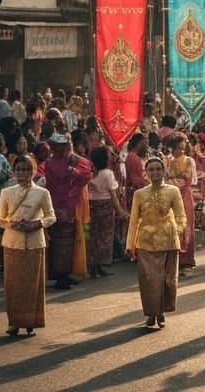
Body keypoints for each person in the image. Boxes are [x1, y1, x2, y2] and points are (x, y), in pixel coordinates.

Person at [0, 155, 54, 336]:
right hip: (12, 242)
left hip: (35, 243)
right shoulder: (7, 192)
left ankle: (30, 321)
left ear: (33, 171)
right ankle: (14, 322)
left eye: (26, 169)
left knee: (32, 284)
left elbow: (51, 216)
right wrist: (13, 224)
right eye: (19, 169)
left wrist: (36, 224)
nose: (22, 173)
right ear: (14, 171)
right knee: (13, 284)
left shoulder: (42, 193)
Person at [126, 156, 186, 329]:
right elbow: (134, 220)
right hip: (146, 242)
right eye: (151, 169)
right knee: (149, 281)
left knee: (167, 281)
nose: (155, 172)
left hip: (168, 241)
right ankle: (151, 315)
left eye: (158, 169)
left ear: (164, 170)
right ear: (146, 173)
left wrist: (179, 231)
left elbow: (181, 215)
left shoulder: (173, 191)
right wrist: (131, 245)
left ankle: (161, 313)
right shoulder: (140, 194)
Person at [42, 133, 91, 290]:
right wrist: (72, 171)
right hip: (61, 205)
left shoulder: (74, 161)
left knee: (68, 241)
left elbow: (86, 174)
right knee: (61, 241)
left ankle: (67, 273)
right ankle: (61, 275)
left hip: (70, 205)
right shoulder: (53, 163)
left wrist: (73, 170)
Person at [87, 146, 127, 278]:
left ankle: (93, 266)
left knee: (94, 236)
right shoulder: (107, 173)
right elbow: (113, 195)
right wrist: (121, 211)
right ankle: (100, 264)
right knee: (105, 237)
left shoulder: (90, 173)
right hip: (105, 206)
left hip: (92, 206)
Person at [163, 135, 199, 274]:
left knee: (187, 225)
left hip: (185, 195)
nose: (181, 151)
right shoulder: (167, 160)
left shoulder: (189, 161)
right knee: (173, 225)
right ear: (172, 148)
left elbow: (192, 179)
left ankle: (187, 260)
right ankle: (174, 259)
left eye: (183, 148)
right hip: (172, 196)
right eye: (178, 148)